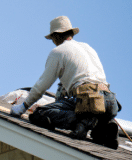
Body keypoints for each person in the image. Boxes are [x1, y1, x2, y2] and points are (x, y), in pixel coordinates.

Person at [10, 16, 121, 149]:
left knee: (39, 114)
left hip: (87, 100)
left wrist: (23, 107)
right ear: (70, 33)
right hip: (109, 102)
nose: (53, 42)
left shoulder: (59, 52)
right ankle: (103, 127)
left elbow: (42, 85)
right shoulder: (87, 47)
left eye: (52, 39)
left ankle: (81, 122)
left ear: (56, 36)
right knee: (97, 135)